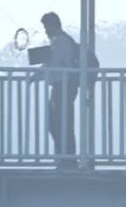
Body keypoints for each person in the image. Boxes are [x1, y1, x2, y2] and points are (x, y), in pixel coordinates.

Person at [38, 12, 95, 168]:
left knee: (60, 123)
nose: (45, 31)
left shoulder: (61, 41)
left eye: (46, 27)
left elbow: (55, 64)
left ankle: (67, 160)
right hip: (62, 86)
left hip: (64, 86)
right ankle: (65, 158)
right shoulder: (62, 41)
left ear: (53, 25)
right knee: (60, 122)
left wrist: (37, 75)